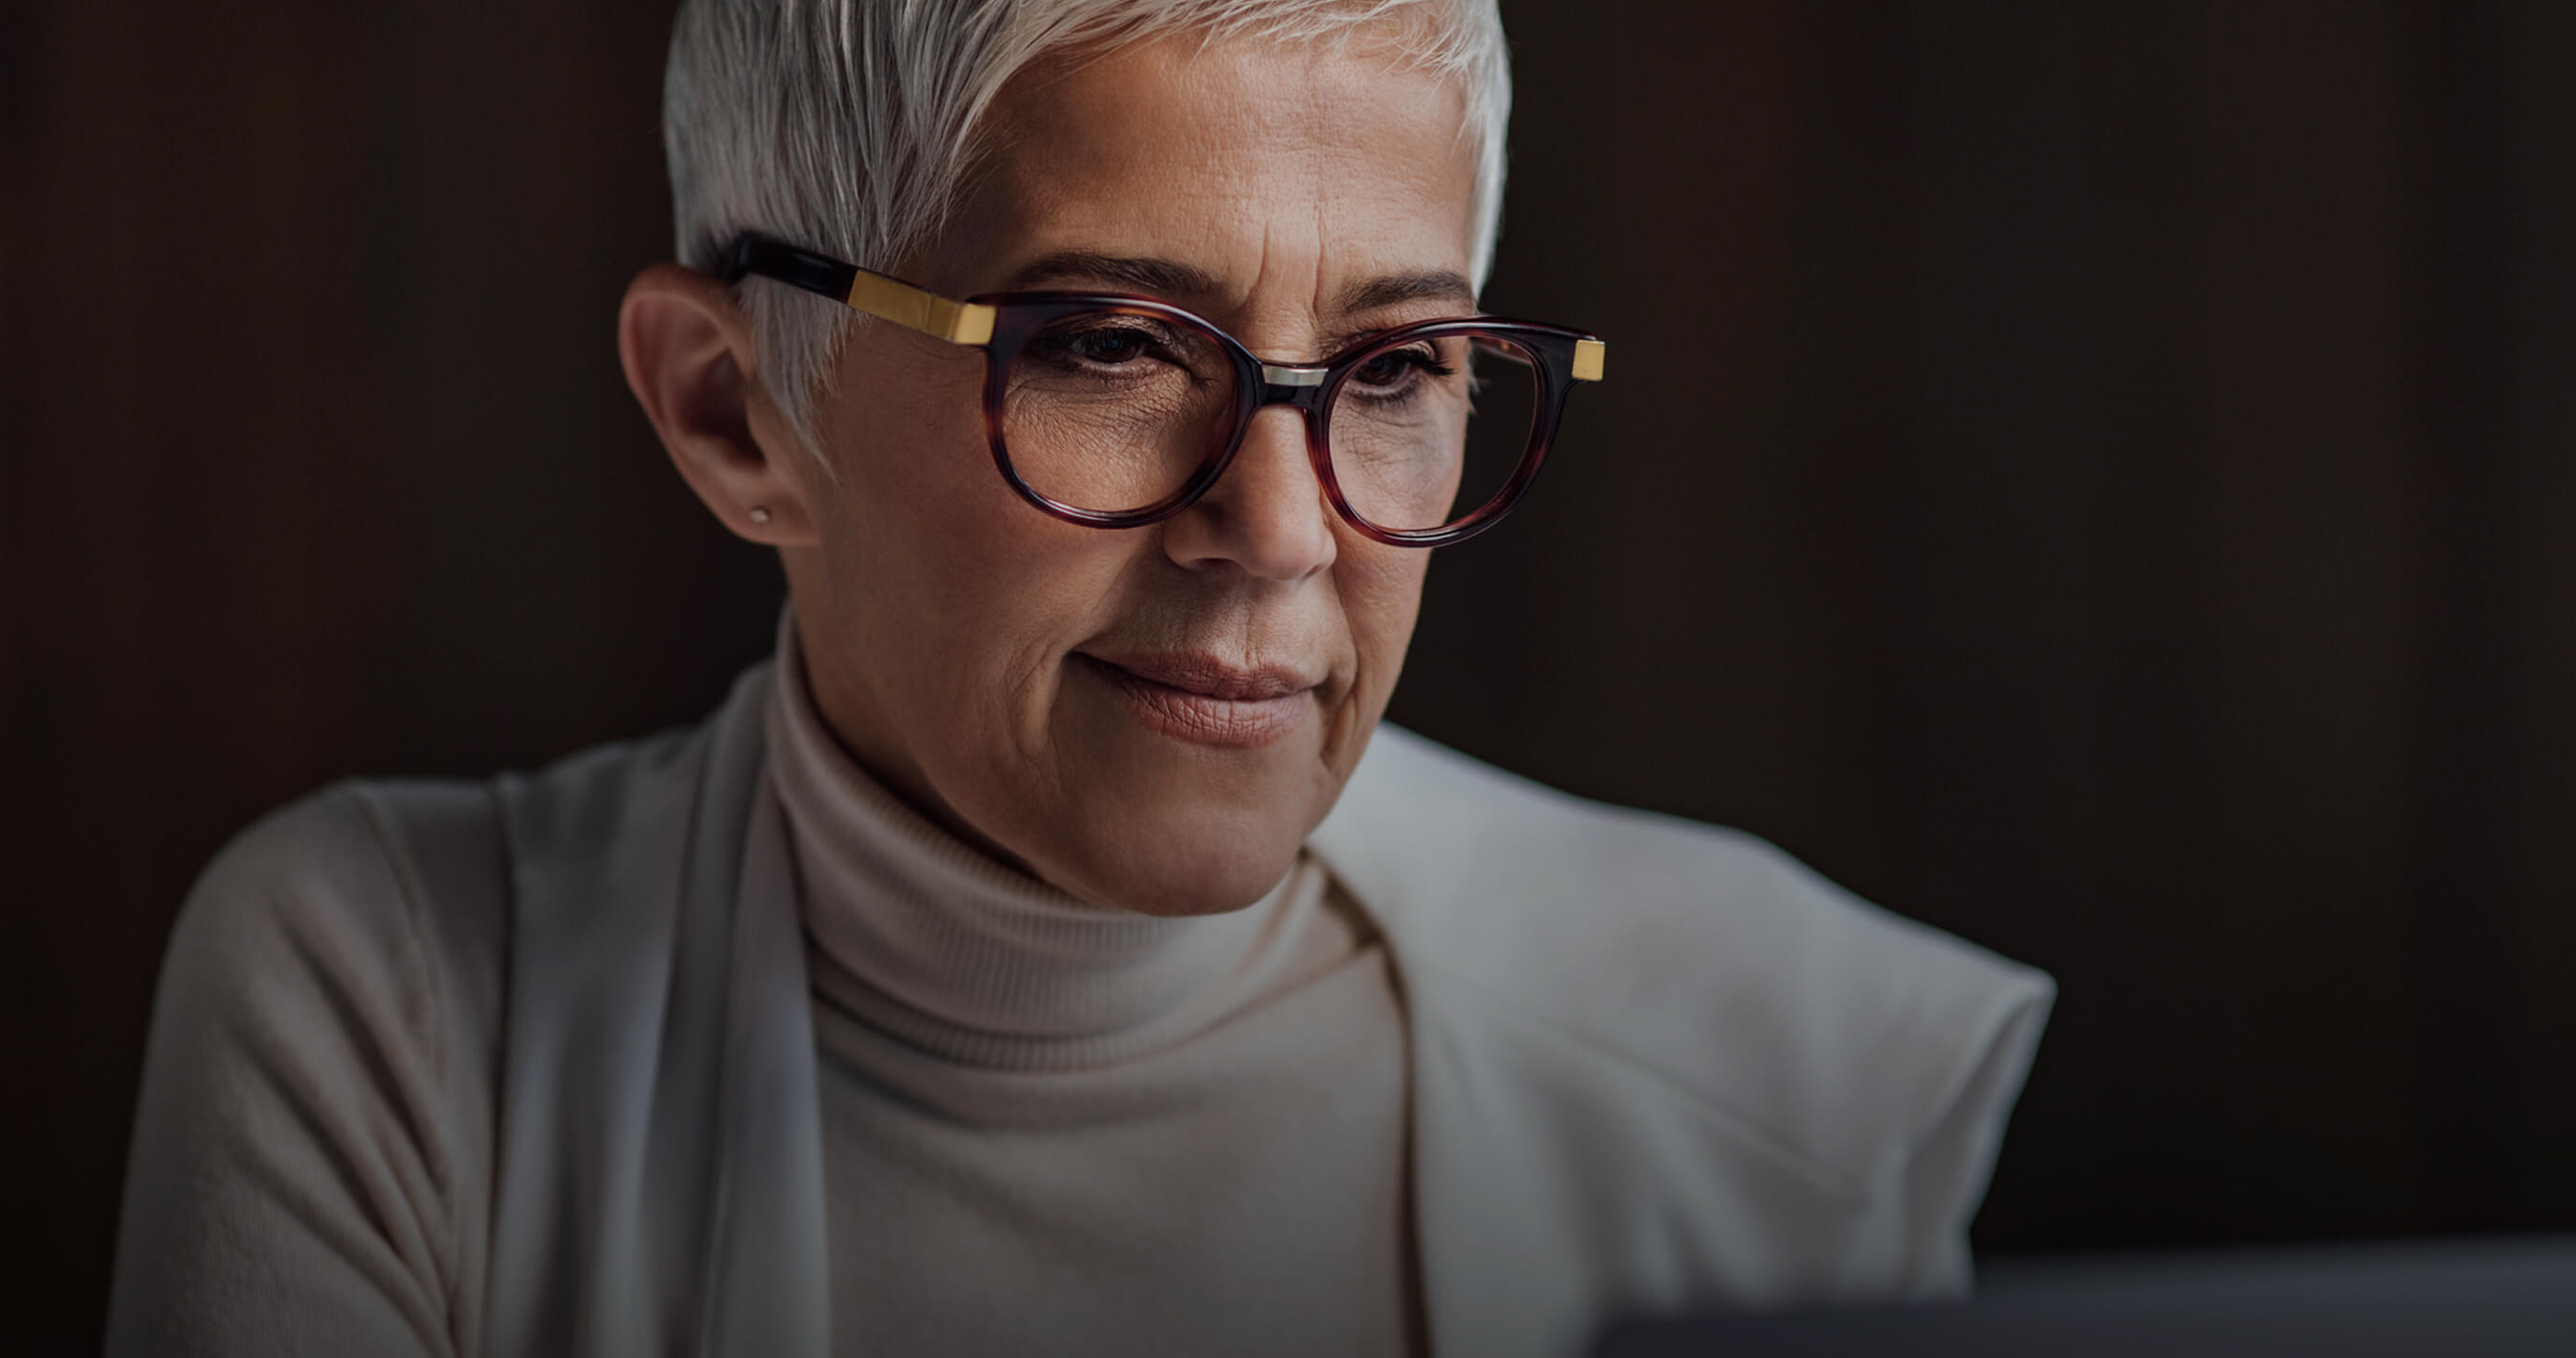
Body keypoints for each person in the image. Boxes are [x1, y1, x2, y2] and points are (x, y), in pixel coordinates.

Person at [105, 1, 2052, 1355]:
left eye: (1392, 373)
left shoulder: (1770, 1082)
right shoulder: (400, 1013)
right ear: (733, 411)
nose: (1280, 531)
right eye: (1111, 349)